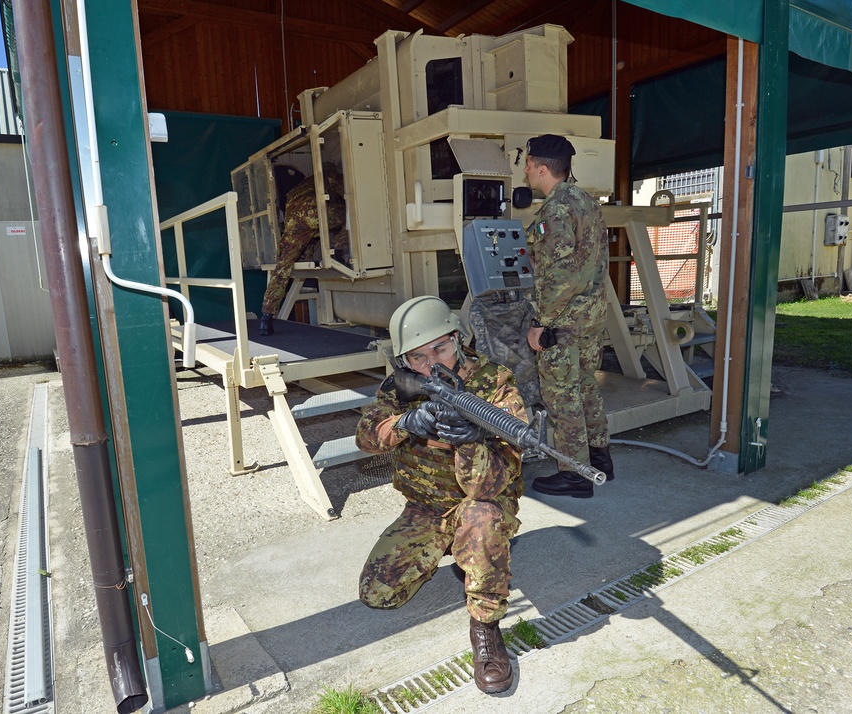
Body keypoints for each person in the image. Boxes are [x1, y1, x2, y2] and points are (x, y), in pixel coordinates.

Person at [356, 295, 525, 694]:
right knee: (378, 594)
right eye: (417, 357)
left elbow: (485, 486)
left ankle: (485, 628)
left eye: (441, 349)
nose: (432, 364)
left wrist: (471, 441)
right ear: (403, 363)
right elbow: (366, 436)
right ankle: (452, 551)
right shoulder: (401, 388)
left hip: (479, 502)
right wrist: (407, 422)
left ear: (457, 339)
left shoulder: (495, 382)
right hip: (426, 508)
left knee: (481, 519)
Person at [522, 134, 615, 498]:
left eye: (528, 164)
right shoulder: (586, 202)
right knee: (586, 386)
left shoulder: (555, 211)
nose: (526, 170)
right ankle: (599, 459)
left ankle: (575, 475)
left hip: (563, 321)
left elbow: (558, 275)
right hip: (591, 316)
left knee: (562, 396)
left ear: (543, 169)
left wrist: (540, 323)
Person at [259, 163, 345, 336]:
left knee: (282, 267)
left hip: (294, 222)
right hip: (315, 214)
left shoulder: (300, 187)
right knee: (351, 217)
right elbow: (347, 194)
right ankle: (339, 251)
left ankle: (266, 316)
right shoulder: (329, 175)